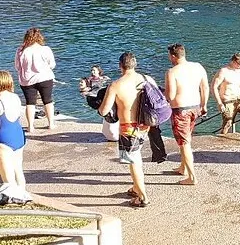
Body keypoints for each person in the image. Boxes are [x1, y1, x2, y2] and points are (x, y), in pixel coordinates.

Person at [98, 52, 152, 207]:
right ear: (135, 64)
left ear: (120, 66)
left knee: (133, 161)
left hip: (128, 129)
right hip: (144, 125)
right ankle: (136, 187)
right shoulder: (144, 79)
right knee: (137, 157)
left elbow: (104, 111)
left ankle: (143, 197)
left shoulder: (116, 85)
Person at [164, 43, 209, 186]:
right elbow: (205, 87)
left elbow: (170, 95)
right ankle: (183, 167)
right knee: (186, 138)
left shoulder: (172, 72)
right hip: (195, 107)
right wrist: (204, 104)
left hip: (180, 110)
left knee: (184, 143)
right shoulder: (198, 67)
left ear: (172, 56)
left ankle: (192, 177)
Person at [13, 27, 57, 133]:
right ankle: (51, 124)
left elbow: (17, 66)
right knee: (48, 100)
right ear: (39, 37)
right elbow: (52, 65)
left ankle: (30, 126)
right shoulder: (45, 49)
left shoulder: (20, 51)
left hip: (27, 80)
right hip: (45, 77)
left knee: (30, 103)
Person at [210, 53, 240, 135]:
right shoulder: (223, 71)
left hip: (239, 97)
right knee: (228, 123)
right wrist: (219, 103)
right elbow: (213, 87)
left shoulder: (238, 69)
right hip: (227, 100)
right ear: (234, 61)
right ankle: (222, 139)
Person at [0, 71, 26, 188]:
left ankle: (11, 197)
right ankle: (22, 194)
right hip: (18, 135)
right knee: (18, 170)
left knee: (8, 178)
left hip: (4, 137)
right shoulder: (15, 97)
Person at [80, 65, 119, 142]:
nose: (92, 72)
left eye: (94, 70)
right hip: (97, 95)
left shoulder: (104, 78)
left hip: (99, 95)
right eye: (92, 70)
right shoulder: (90, 80)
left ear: (99, 71)